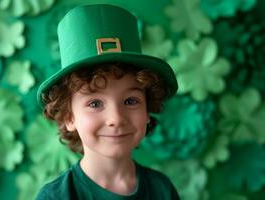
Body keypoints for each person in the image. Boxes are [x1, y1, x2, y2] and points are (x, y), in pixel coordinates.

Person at [36, 4, 180, 200]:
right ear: (69, 116)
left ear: (147, 110)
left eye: (130, 101)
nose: (116, 119)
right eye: (95, 104)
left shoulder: (161, 189)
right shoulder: (56, 197)